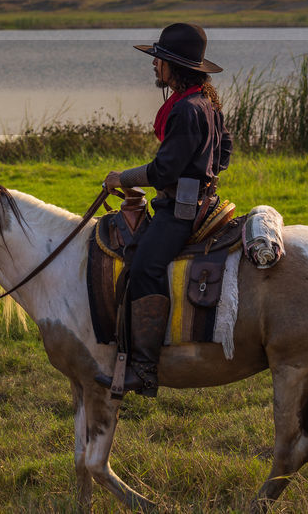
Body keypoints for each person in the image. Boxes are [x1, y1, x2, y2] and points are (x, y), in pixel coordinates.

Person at [96, 23, 232, 396]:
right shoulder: (203, 103)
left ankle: (143, 368)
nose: (155, 66)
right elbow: (225, 153)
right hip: (200, 201)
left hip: (181, 211)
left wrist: (119, 178)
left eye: (159, 61)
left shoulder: (186, 109)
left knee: (143, 268)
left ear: (175, 67)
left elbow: (163, 170)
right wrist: (203, 176)